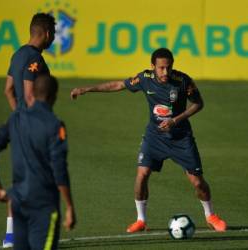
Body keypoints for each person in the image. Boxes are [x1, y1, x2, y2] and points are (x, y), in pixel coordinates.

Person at [70, 48, 227, 233]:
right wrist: (87, 89)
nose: (165, 72)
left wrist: (176, 120)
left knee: (198, 183)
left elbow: (199, 103)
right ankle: (141, 220)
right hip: (154, 137)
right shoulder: (144, 78)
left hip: (181, 138)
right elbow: (118, 85)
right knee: (142, 175)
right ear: (153, 66)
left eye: (168, 67)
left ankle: (211, 216)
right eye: (161, 68)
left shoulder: (183, 81)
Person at [0, 74, 76, 250]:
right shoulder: (55, 125)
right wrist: (69, 206)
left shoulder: (16, 118)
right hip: (44, 206)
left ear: (32, 94)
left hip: (18, 203)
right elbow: (59, 169)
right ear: (54, 96)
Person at [2, 12, 56, 248]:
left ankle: (10, 235)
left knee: (20, 180)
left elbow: (8, 90)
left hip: (20, 125)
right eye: (52, 33)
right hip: (34, 128)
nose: (53, 38)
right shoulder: (35, 59)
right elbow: (29, 94)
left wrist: (18, 118)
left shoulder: (17, 54)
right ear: (46, 33)